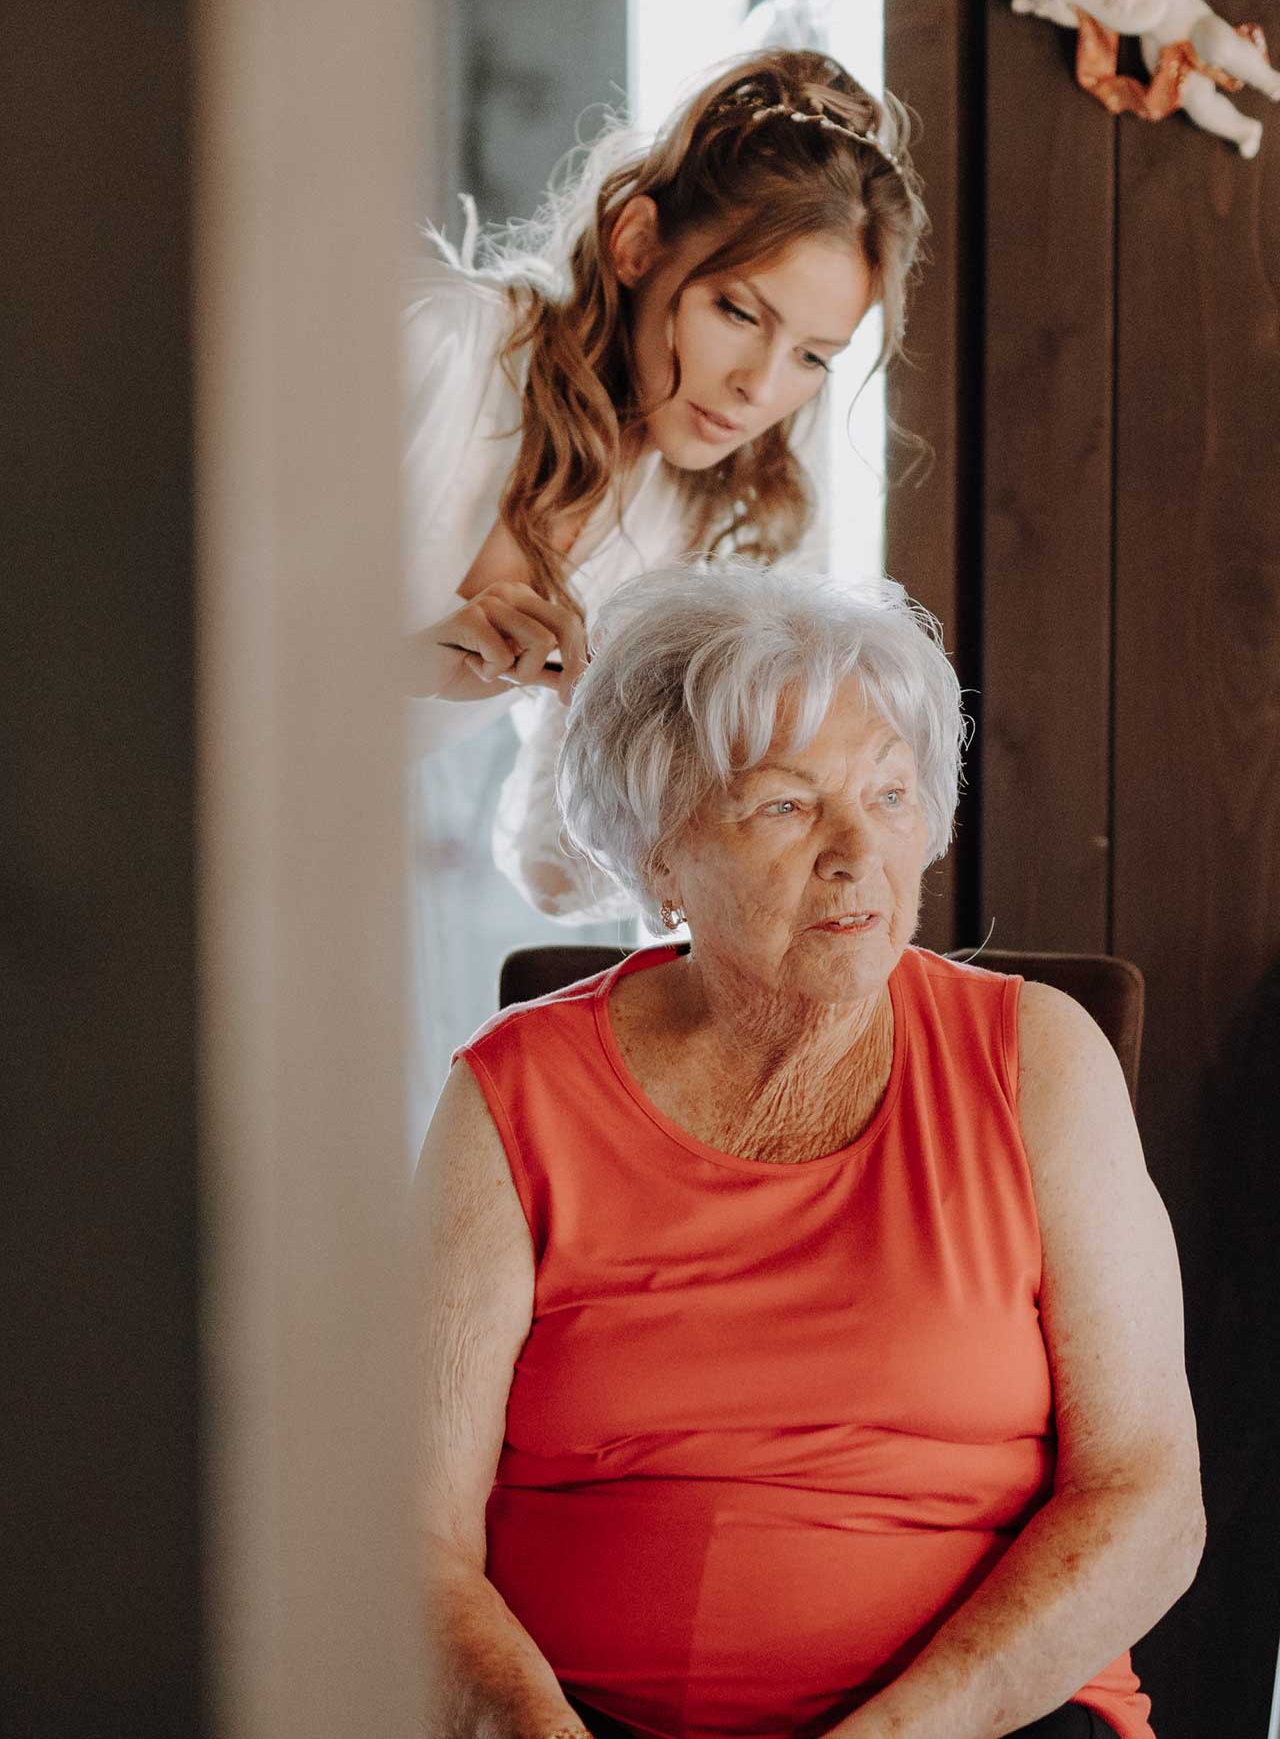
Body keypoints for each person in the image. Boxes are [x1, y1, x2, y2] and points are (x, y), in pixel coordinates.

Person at [411, 563, 1204, 1739]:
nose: (854, 855)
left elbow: (1145, 1496)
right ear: (659, 854)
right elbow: (406, 1536)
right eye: (783, 805)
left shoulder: (1036, 1061)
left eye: (889, 796)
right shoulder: (514, 1093)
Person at [403, 45, 926, 922]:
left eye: (810, 357)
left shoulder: (684, 526)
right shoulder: (442, 350)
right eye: (737, 311)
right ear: (638, 243)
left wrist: (597, 719)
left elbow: (553, 874)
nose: (761, 386)